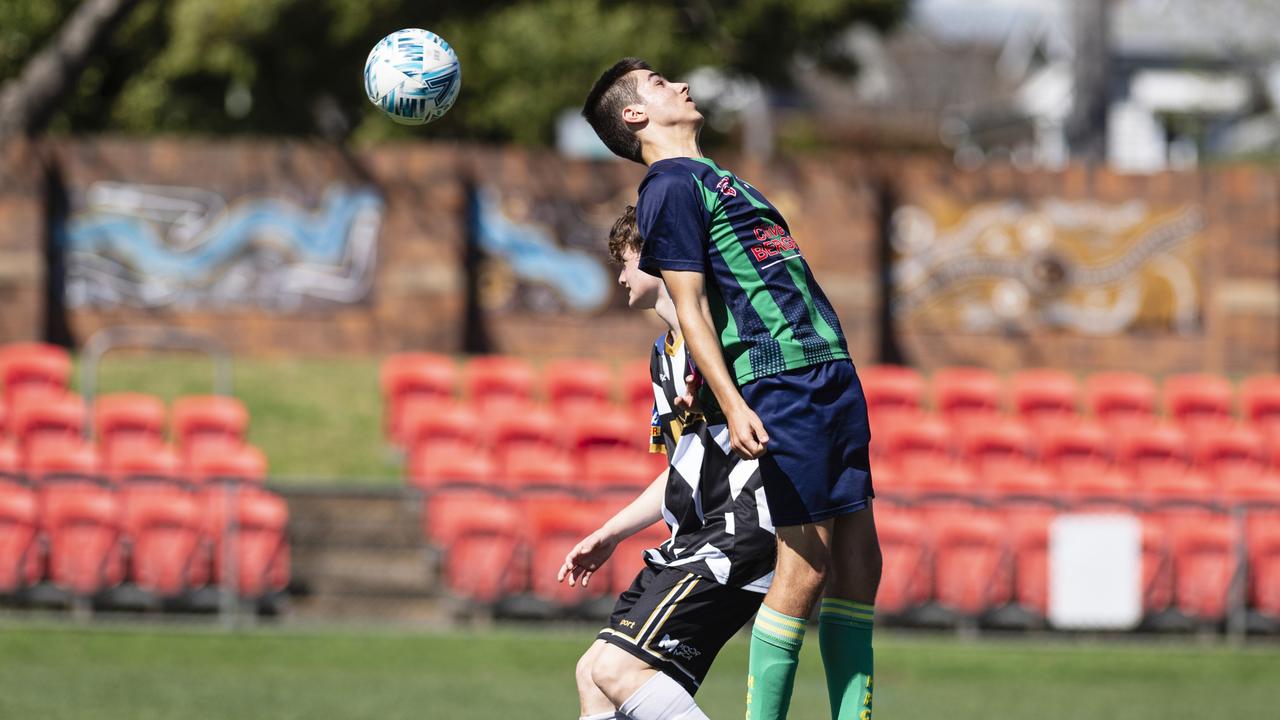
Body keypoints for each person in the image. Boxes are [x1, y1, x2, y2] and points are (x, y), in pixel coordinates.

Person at [581, 59, 883, 720]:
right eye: (659, 83)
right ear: (635, 115)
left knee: (861, 560)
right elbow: (687, 308)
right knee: (804, 568)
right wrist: (736, 398)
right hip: (782, 378)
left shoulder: (720, 178)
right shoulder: (666, 186)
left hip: (827, 368)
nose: (679, 85)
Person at [561, 205, 776, 720]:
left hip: (736, 533)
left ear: (659, 257)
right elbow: (684, 471)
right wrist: (609, 533)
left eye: (627, 260)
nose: (619, 275)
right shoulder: (663, 356)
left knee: (617, 670)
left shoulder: (733, 334)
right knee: (592, 674)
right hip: (694, 537)